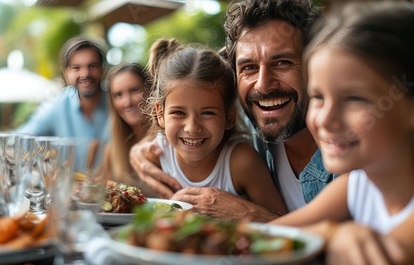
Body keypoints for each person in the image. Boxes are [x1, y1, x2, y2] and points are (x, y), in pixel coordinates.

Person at [130, 0, 330, 222]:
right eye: (249, 68)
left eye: (282, 62)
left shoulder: (351, 154)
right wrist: (140, 150)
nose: (263, 85)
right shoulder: (257, 113)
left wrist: (249, 214)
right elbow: (194, 85)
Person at [271, 2, 414, 265]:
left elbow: (386, 259)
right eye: (318, 96)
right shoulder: (359, 184)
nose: (325, 119)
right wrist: (328, 233)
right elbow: (260, 239)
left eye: (354, 98)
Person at [143, 38, 287, 216]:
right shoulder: (158, 155)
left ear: (230, 117)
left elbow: (281, 222)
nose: (192, 127)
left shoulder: (241, 162)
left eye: (207, 113)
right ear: (160, 114)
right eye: (179, 113)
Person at [17, 37, 109, 172]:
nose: (85, 74)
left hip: (120, 190)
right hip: (71, 190)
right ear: (66, 74)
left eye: (92, 66)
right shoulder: (58, 104)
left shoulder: (119, 101)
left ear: (102, 69)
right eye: (76, 68)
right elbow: (21, 139)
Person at [97, 62, 157, 197]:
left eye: (134, 90)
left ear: (149, 90)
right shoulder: (112, 149)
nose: (127, 102)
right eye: (118, 95)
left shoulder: (165, 141)